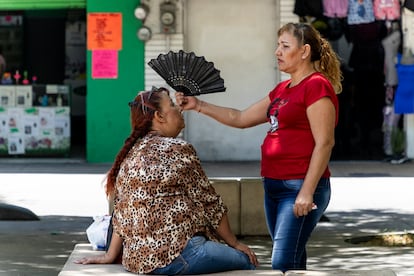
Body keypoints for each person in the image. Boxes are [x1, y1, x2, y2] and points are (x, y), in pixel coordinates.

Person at [176, 22, 342, 272]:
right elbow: (240, 118)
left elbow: (325, 142)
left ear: (305, 51)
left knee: (282, 262)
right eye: (278, 45)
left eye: (285, 46)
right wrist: (198, 105)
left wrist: (306, 192)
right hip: (273, 185)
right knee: (292, 258)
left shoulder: (316, 85)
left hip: (299, 185)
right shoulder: (282, 90)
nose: (277, 52)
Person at [75, 87, 258, 274]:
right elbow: (211, 205)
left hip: (137, 261)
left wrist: (109, 255)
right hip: (180, 255)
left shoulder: (131, 153)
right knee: (247, 260)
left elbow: (122, 212)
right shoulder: (178, 149)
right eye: (171, 104)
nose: (178, 108)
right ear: (159, 116)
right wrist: (235, 243)